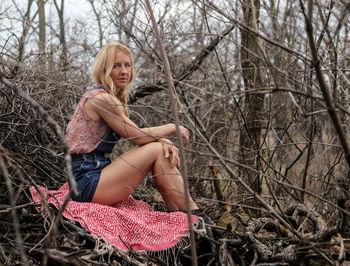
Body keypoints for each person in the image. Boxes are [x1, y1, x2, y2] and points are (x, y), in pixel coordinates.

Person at [65, 41, 208, 218]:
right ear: (104, 69)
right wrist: (171, 127)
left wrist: (162, 140)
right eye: (116, 66)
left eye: (127, 65)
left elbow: (135, 133)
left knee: (160, 151)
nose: (124, 71)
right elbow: (138, 137)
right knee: (157, 150)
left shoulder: (108, 97)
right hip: (86, 182)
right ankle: (197, 218)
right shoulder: (102, 99)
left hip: (92, 177)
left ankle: (183, 217)